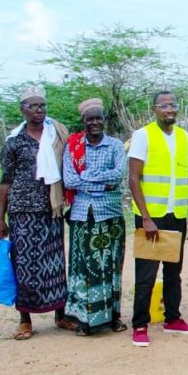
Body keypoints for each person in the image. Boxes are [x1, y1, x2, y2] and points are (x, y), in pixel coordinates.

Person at [0, 85, 74, 340]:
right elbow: (5, 180)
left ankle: (60, 315)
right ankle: (25, 319)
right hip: (22, 211)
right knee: (25, 265)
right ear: (23, 110)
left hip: (50, 208)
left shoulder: (56, 136)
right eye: (33, 106)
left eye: (42, 106)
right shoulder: (14, 143)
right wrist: (0, 217)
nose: (39, 110)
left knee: (54, 262)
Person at [128, 91, 188, 347]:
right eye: (164, 105)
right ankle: (139, 324)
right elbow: (134, 178)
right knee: (146, 273)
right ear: (155, 109)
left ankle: (173, 319)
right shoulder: (142, 135)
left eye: (173, 105)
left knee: (174, 272)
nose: (170, 109)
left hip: (176, 214)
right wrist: (146, 217)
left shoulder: (183, 137)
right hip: (152, 217)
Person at [62, 99, 127, 336]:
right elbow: (69, 180)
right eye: (90, 119)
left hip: (110, 214)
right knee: (83, 268)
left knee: (110, 266)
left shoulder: (115, 145)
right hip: (81, 215)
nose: (95, 122)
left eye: (98, 118)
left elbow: (118, 175)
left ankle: (113, 317)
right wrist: (101, 182)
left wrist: (87, 178)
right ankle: (84, 320)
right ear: (84, 122)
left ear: (104, 120)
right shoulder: (74, 147)